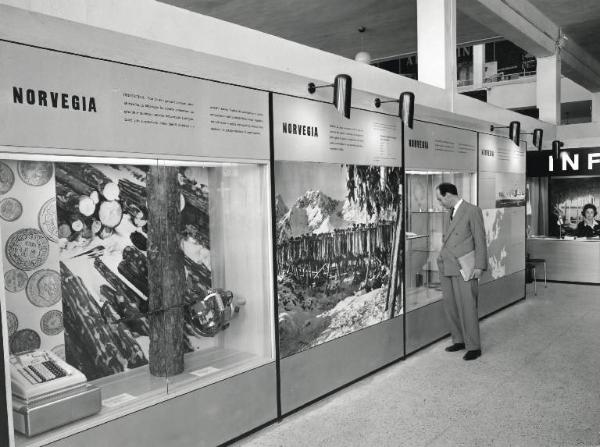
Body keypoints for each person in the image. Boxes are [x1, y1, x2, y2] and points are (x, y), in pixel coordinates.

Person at [436, 183, 488, 361]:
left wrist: (479, 266)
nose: (440, 203)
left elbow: (480, 240)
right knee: (451, 306)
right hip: (447, 265)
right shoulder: (448, 213)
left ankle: (474, 346)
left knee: (467, 306)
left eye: (440, 199)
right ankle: (459, 340)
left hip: (464, 267)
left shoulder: (472, 211)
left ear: (449, 195)